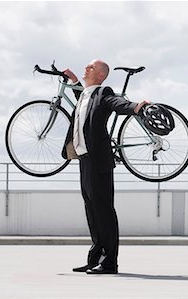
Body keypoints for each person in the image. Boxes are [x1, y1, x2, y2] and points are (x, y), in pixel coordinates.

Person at [61, 59, 149, 274]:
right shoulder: (85, 95)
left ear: (100, 75)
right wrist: (72, 80)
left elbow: (115, 103)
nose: (86, 68)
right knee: (91, 210)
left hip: (98, 160)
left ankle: (110, 262)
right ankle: (95, 259)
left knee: (103, 210)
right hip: (84, 160)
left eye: (90, 67)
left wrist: (135, 107)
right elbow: (81, 100)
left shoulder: (103, 93)